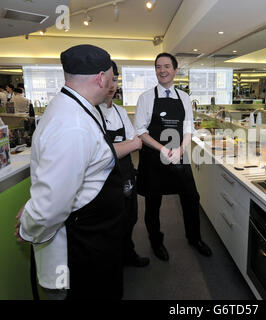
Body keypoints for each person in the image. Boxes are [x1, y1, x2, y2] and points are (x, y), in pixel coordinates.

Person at [15, 44, 125, 300]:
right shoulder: (72, 125)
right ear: (100, 78)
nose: (112, 84)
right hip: (79, 247)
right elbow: (51, 207)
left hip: (96, 238)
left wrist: (32, 208)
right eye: (110, 78)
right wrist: (28, 227)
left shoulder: (80, 107)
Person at [134, 52, 212, 261]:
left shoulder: (184, 97)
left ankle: (194, 238)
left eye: (167, 66)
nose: (162, 70)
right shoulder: (146, 98)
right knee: (153, 202)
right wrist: (162, 149)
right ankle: (156, 241)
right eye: (158, 66)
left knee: (191, 198)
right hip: (153, 157)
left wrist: (180, 149)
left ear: (175, 70)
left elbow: (188, 128)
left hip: (178, 154)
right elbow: (140, 131)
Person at [96, 61, 148, 268]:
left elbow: (136, 143)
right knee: (109, 220)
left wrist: (121, 146)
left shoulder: (120, 112)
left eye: (115, 80)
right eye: (108, 80)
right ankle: (111, 260)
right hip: (103, 177)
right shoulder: (91, 113)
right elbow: (98, 153)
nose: (112, 85)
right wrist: (128, 144)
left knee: (130, 215)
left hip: (125, 173)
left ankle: (128, 252)